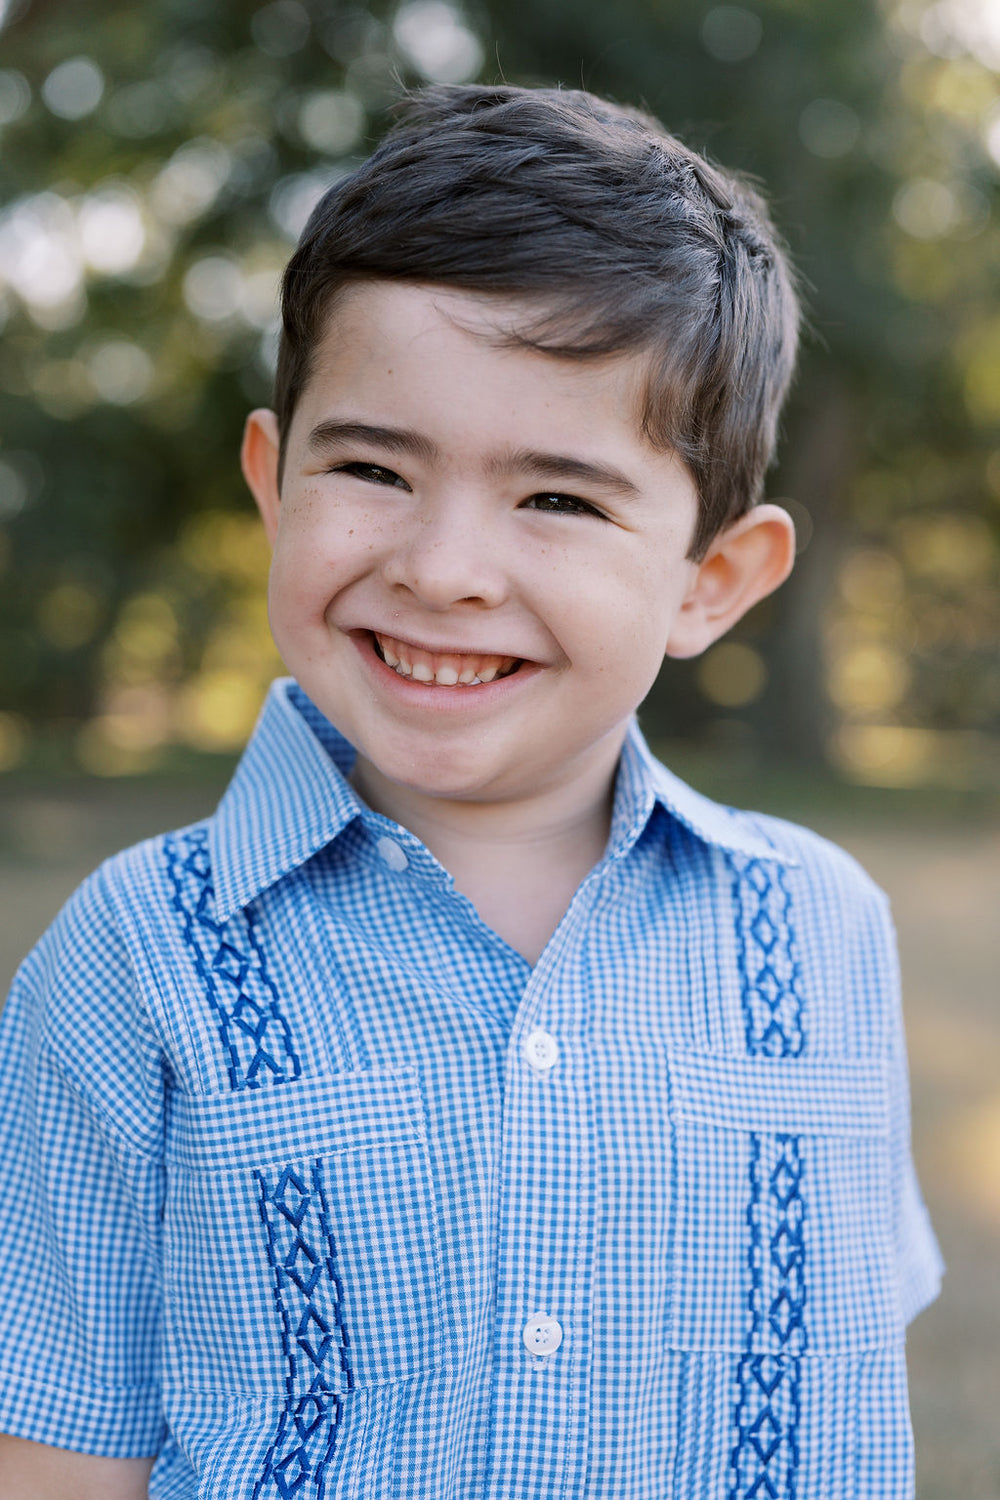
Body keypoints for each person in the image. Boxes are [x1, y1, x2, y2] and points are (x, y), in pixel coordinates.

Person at [0, 84, 941, 1499]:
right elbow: (60, 1453)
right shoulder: (131, 965)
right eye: (374, 467)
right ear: (273, 487)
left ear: (712, 580)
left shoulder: (823, 936)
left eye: (558, 497)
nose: (443, 569)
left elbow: (845, 1393)